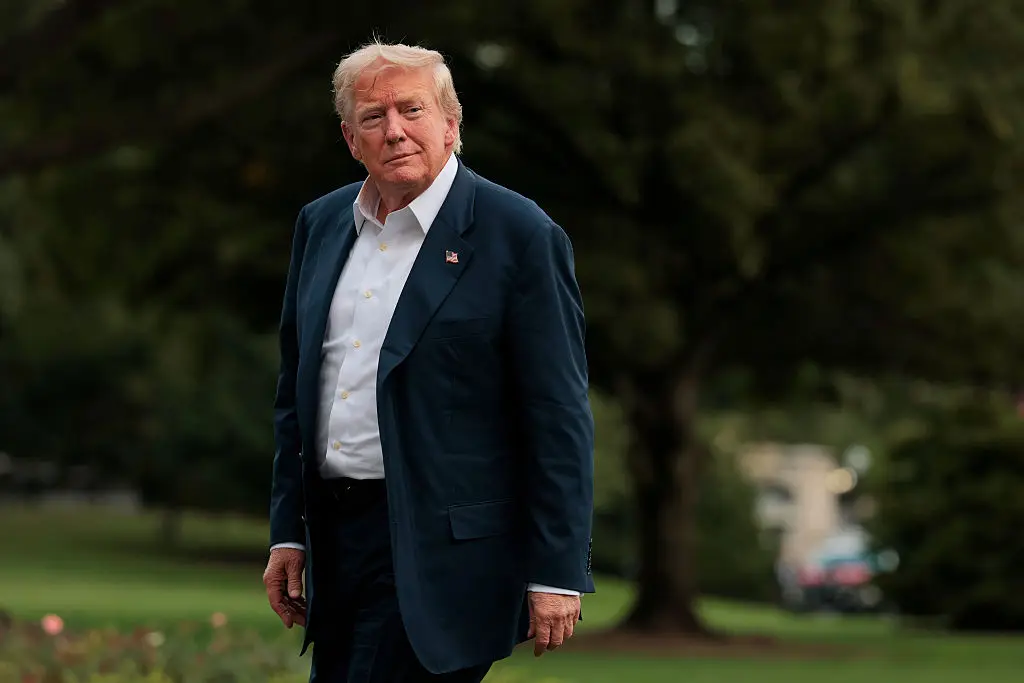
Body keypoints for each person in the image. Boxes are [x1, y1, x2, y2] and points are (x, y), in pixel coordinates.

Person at [262, 39, 595, 683]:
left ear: (451, 122)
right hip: (336, 541)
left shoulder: (518, 233)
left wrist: (558, 570)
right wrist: (288, 533)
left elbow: (557, 414)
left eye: (411, 110)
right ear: (350, 138)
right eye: (373, 117)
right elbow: (295, 394)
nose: (395, 131)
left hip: (445, 554)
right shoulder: (321, 223)